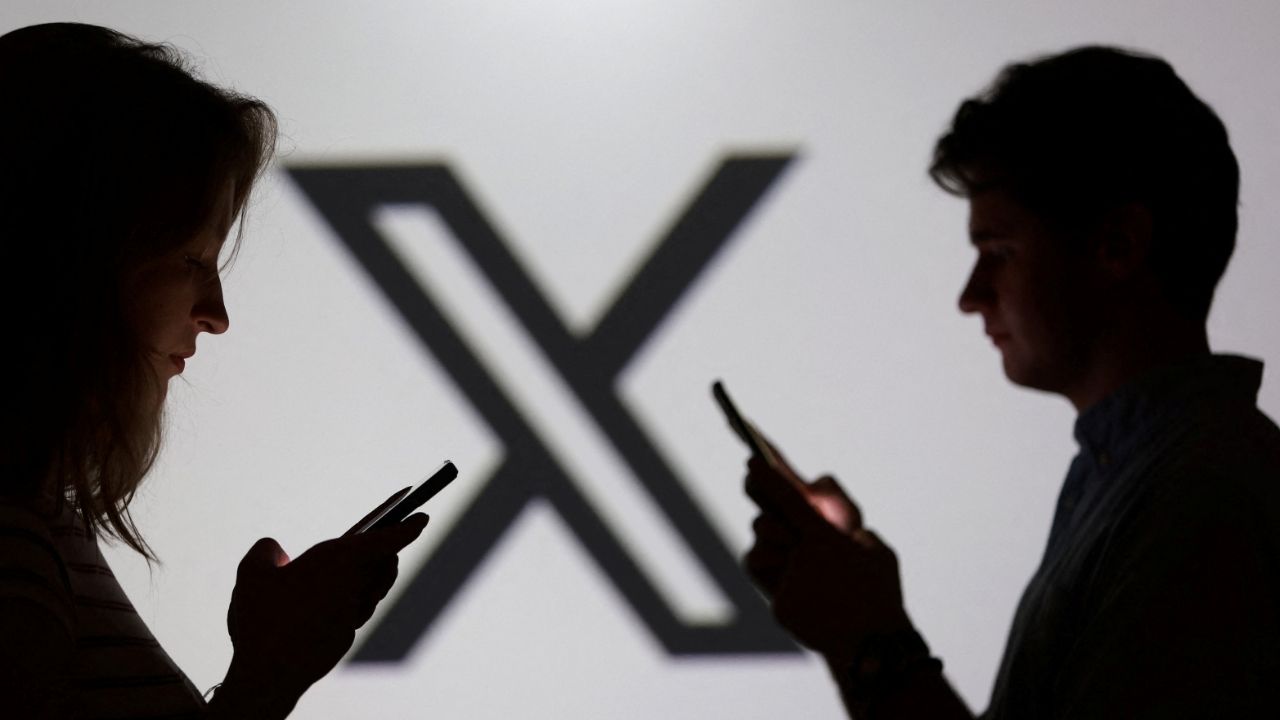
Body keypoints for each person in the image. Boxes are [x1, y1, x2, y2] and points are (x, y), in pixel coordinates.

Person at [742, 45, 1280, 718]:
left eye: (998, 251)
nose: (970, 296)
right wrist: (862, 630)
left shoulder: (1201, 501)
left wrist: (868, 637)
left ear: (1118, 247)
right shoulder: (1142, 476)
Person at [0, 23, 429, 719]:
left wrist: (268, 673)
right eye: (192, 260)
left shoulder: (41, 529)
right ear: (74, 261)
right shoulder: (15, 545)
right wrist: (266, 675)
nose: (217, 315)